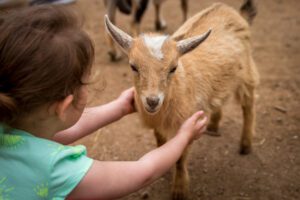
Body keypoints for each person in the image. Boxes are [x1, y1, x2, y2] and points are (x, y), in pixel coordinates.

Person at [0, 5, 207, 200]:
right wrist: (183, 136)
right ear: (63, 107)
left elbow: (60, 131)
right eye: (85, 82)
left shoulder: (10, 124)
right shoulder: (53, 169)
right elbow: (143, 173)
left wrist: (118, 108)